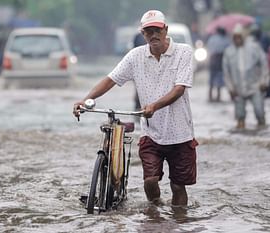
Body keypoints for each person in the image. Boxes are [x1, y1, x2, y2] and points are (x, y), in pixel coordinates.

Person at [73, 10, 198, 208]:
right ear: (143, 34)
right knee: (149, 181)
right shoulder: (135, 56)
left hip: (181, 133)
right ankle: (156, 212)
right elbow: (110, 80)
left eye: (157, 30)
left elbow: (179, 89)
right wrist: (86, 99)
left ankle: (178, 222)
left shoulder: (183, 52)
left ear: (165, 30)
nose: (153, 35)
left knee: (178, 186)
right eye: (148, 31)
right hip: (151, 132)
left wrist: (155, 106)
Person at [222, 24, 269, 129]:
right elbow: (226, 72)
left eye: (240, 37)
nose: (238, 40)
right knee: (240, 116)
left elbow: (264, 64)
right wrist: (230, 88)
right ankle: (240, 137)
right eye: (235, 37)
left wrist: (264, 81)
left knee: (259, 112)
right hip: (238, 88)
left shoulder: (254, 47)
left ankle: (261, 131)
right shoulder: (229, 52)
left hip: (255, 86)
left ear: (244, 37)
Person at [206, 27, 231, 102]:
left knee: (212, 77)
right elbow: (228, 50)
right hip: (220, 60)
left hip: (212, 59)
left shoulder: (212, 38)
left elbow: (209, 48)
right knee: (219, 78)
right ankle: (218, 97)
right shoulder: (226, 40)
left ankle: (210, 96)